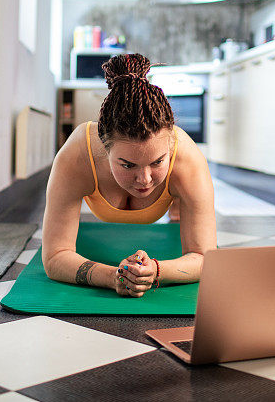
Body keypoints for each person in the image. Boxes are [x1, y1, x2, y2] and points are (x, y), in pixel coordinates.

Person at [42, 53, 217, 297]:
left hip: (180, 187)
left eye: (157, 162)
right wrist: (112, 276)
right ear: (104, 148)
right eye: (127, 165)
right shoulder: (77, 155)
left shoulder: (187, 158)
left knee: (183, 209)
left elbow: (205, 257)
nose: (144, 179)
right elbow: (54, 257)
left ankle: (177, 206)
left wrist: (155, 270)